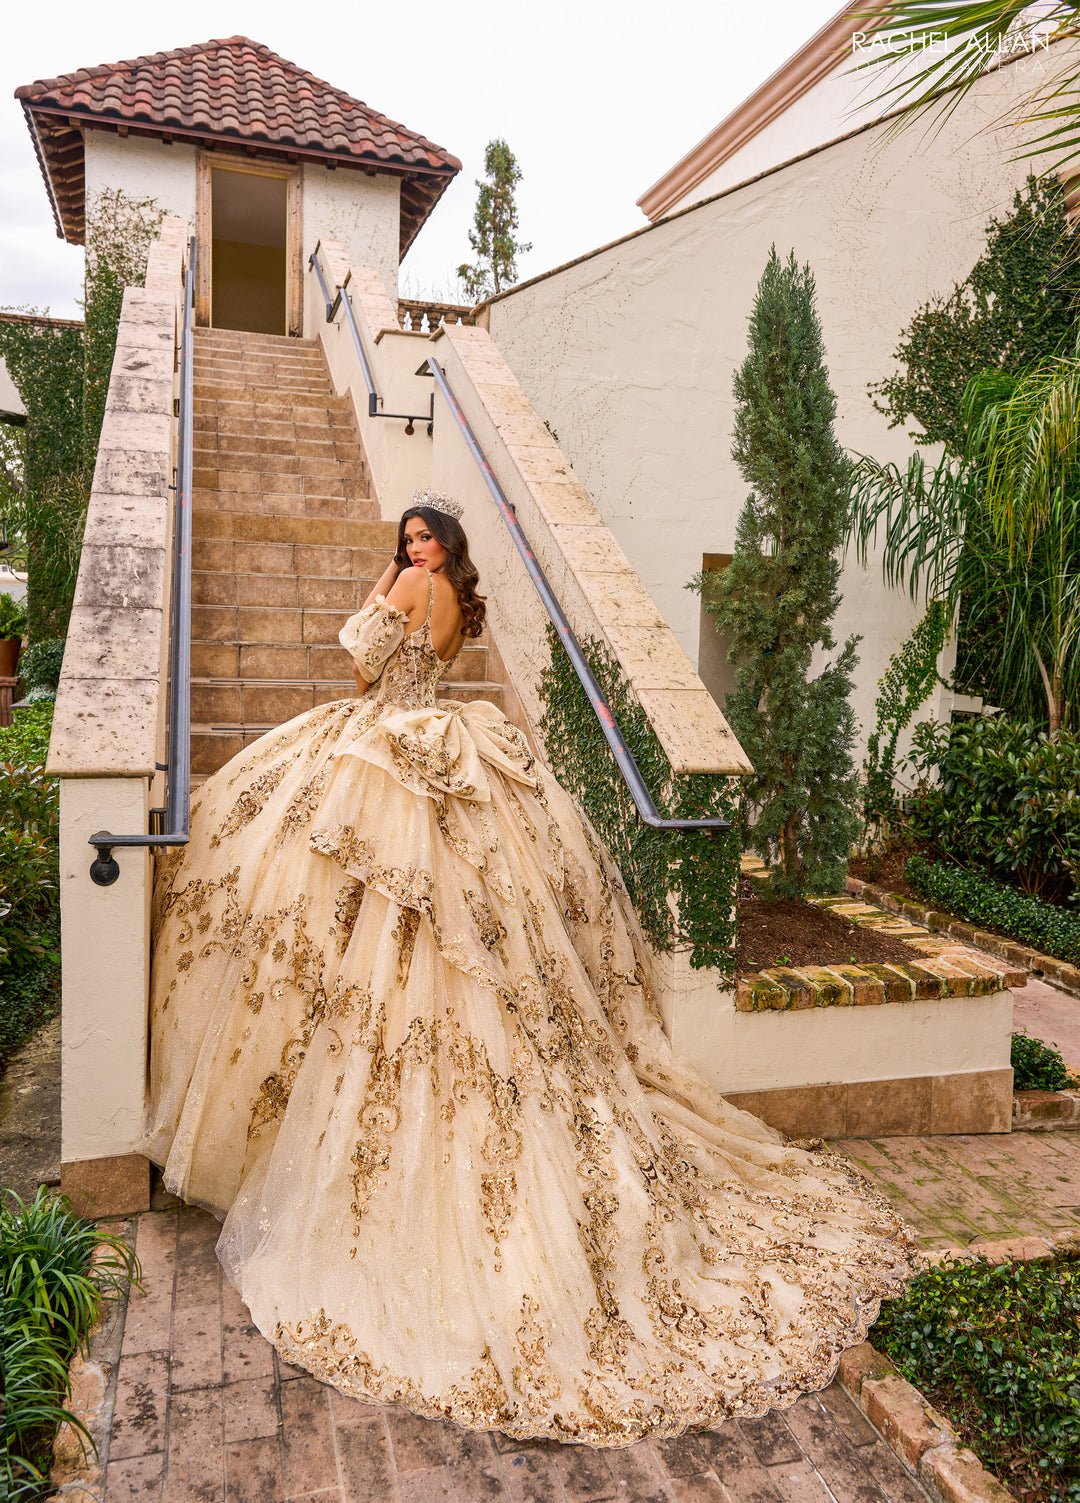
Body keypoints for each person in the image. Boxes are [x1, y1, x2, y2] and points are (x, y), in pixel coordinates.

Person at [144, 488, 916, 1447]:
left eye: (425, 538)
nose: (415, 547)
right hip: (421, 736)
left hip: (405, 748)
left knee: (406, 916)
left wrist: (382, 581)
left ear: (446, 548)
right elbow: (381, 673)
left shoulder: (419, 588)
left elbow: (358, 660)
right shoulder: (452, 595)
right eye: (406, 538)